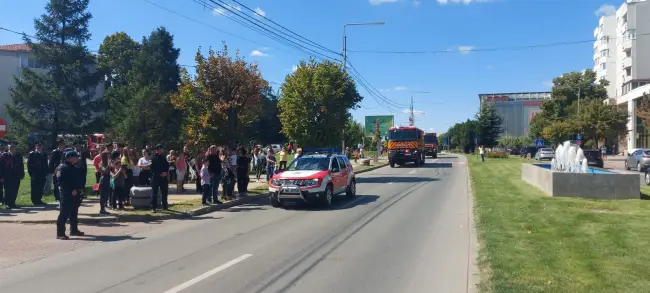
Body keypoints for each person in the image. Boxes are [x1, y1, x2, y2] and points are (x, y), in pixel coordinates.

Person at [56, 151, 85, 240]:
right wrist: (70, 190)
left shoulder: (75, 167)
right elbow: (61, 181)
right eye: (75, 157)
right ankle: (60, 233)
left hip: (76, 193)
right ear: (69, 157)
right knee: (64, 213)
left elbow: (78, 179)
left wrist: (78, 190)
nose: (77, 158)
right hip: (67, 193)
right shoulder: (62, 168)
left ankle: (74, 229)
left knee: (74, 212)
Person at [0, 143, 24, 209]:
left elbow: (21, 165)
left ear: (15, 148)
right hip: (7, 176)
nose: (11, 148)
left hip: (16, 175)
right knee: (8, 190)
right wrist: (1, 177)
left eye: (13, 147)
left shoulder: (18, 155)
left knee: (15, 189)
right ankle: (7, 203)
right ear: (8, 148)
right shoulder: (4, 155)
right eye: (10, 147)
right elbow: (1, 167)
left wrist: (22, 174)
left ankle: (12, 203)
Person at [27, 141, 48, 205]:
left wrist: (46, 172)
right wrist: (31, 173)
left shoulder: (44, 154)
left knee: (41, 187)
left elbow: (46, 164)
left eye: (40, 146)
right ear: (35, 146)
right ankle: (34, 200)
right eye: (38, 146)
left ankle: (39, 199)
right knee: (34, 187)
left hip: (42, 174)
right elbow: (29, 164)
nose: (39, 147)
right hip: (35, 173)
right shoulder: (32, 154)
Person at [150, 144, 170, 212]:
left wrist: (165, 173)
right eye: (161, 148)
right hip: (156, 177)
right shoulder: (153, 158)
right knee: (154, 193)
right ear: (158, 149)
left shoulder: (163, 157)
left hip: (164, 177)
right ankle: (153, 207)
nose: (163, 150)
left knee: (164, 192)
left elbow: (167, 166)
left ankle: (165, 206)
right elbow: (153, 168)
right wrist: (160, 173)